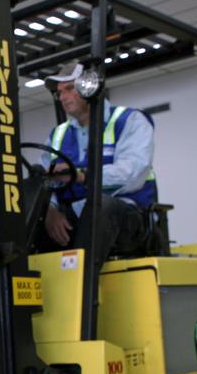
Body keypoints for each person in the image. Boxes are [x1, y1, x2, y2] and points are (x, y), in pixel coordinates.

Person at [43, 62, 157, 268]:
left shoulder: (129, 120)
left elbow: (133, 172)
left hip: (126, 215)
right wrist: (49, 210)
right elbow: (44, 179)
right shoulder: (57, 135)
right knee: (29, 217)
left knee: (98, 208)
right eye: (59, 93)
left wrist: (82, 176)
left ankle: (83, 294)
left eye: (69, 89)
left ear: (90, 86)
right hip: (75, 215)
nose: (63, 97)